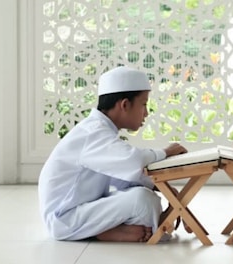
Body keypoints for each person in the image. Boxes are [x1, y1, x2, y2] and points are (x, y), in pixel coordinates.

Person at [38, 66, 187, 242]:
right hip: (65, 218)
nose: (146, 113)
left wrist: (164, 189)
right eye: (144, 104)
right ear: (124, 105)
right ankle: (101, 232)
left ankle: (104, 230)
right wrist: (166, 152)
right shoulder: (92, 133)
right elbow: (134, 161)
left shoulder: (101, 131)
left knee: (146, 197)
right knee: (143, 201)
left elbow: (121, 176)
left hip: (83, 208)